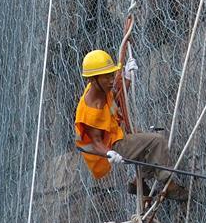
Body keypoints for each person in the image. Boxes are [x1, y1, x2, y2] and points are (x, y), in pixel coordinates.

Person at [75, 49, 188, 200]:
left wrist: (127, 77)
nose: (111, 80)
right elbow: (95, 143)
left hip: (117, 133)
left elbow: (116, 99)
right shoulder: (91, 109)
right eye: (106, 77)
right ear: (93, 79)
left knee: (145, 144)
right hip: (112, 146)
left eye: (111, 75)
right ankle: (169, 184)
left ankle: (138, 182)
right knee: (156, 141)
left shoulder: (99, 89)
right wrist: (110, 154)